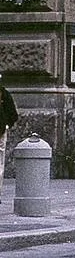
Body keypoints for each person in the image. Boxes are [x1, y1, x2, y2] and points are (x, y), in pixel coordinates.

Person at [0, 73, 20, 203]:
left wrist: (6, 125)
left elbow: (13, 114)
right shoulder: (4, 93)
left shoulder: (4, 94)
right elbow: (13, 114)